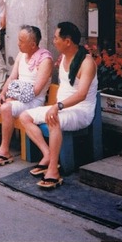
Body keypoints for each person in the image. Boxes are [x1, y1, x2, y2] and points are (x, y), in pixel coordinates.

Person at [20, 22, 98, 190]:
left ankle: (53, 170)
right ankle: (47, 154)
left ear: (68, 41)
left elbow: (81, 94)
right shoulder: (63, 57)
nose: (53, 41)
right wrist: (57, 107)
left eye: (56, 38)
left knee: (53, 119)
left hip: (80, 111)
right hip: (61, 108)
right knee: (25, 116)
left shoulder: (87, 63)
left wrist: (58, 106)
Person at [0, 25, 53, 164]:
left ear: (33, 44)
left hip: (32, 101)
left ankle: (4, 150)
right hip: (16, 95)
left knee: (5, 107)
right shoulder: (21, 55)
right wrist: (3, 93)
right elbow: (12, 77)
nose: (18, 43)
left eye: (21, 41)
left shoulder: (45, 60)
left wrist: (13, 96)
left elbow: (36, 90)